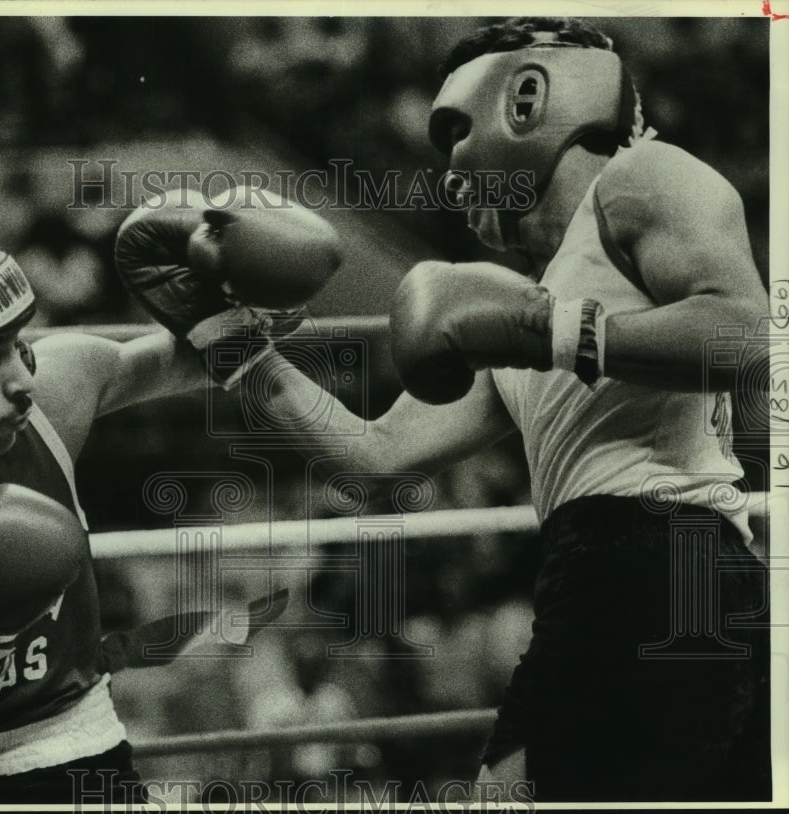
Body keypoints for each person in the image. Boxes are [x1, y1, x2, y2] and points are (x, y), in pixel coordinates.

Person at [118, 18, 771, 803]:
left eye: (455, 131)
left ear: (529, 100)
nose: (450, 171)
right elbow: (371, 455)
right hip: (614, 569)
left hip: (658, 555)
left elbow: (744, 336)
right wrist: (226, 340)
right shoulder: (517, 300)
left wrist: (549, 332)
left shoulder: (640, 179)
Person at [0, 199, 338, 803]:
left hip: (86, 765)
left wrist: (254, 281)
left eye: (15, 344)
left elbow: (231, 351)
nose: (23, 380)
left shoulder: (57, 390)